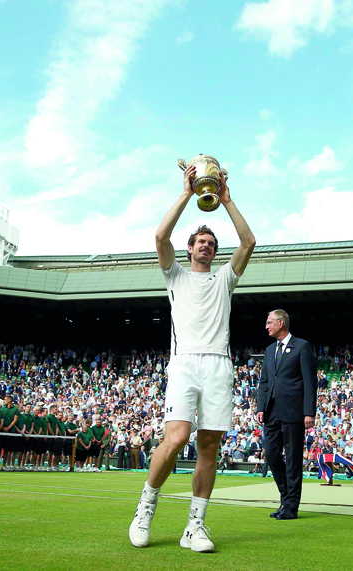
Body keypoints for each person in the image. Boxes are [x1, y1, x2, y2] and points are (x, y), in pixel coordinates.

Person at [130, 163, 255, 553]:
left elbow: (249, 242)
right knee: (177, 437)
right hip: (184, 362)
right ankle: (145, 509)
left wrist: (228, 201)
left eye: (211, 244)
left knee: (210, 445)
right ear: (189, 248)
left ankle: (195, 526)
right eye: (201, 242)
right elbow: (159, 234)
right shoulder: (176, 275)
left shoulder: (224, 279)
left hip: (218, 362)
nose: (207, 246)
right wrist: (186, 193)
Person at [257, 309, 316, 520]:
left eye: (269, 322)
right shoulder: (269, 350)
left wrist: (309, 412)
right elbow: (264, 382)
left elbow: (310, 381)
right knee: (272, 456)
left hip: (293, 412)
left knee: (292, 460)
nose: (267, 326)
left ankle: (291, 506)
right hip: (271, 412)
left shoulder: (302, 346)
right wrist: (260, 407)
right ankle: (285, 498)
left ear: (281, 323)